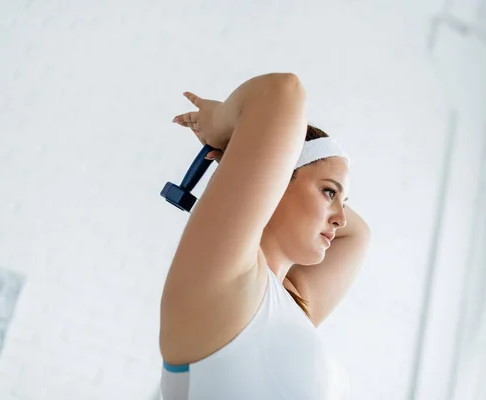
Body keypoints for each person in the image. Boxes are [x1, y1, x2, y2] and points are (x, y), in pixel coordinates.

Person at [159, 72, 371, 399]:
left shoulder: (292, 304)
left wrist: (248, 153)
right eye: (329, 193)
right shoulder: (227, 281)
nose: (341, 218)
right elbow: (282, 91)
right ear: (276, 181)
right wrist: (225, 128)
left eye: (344, 202)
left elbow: (359, 235)